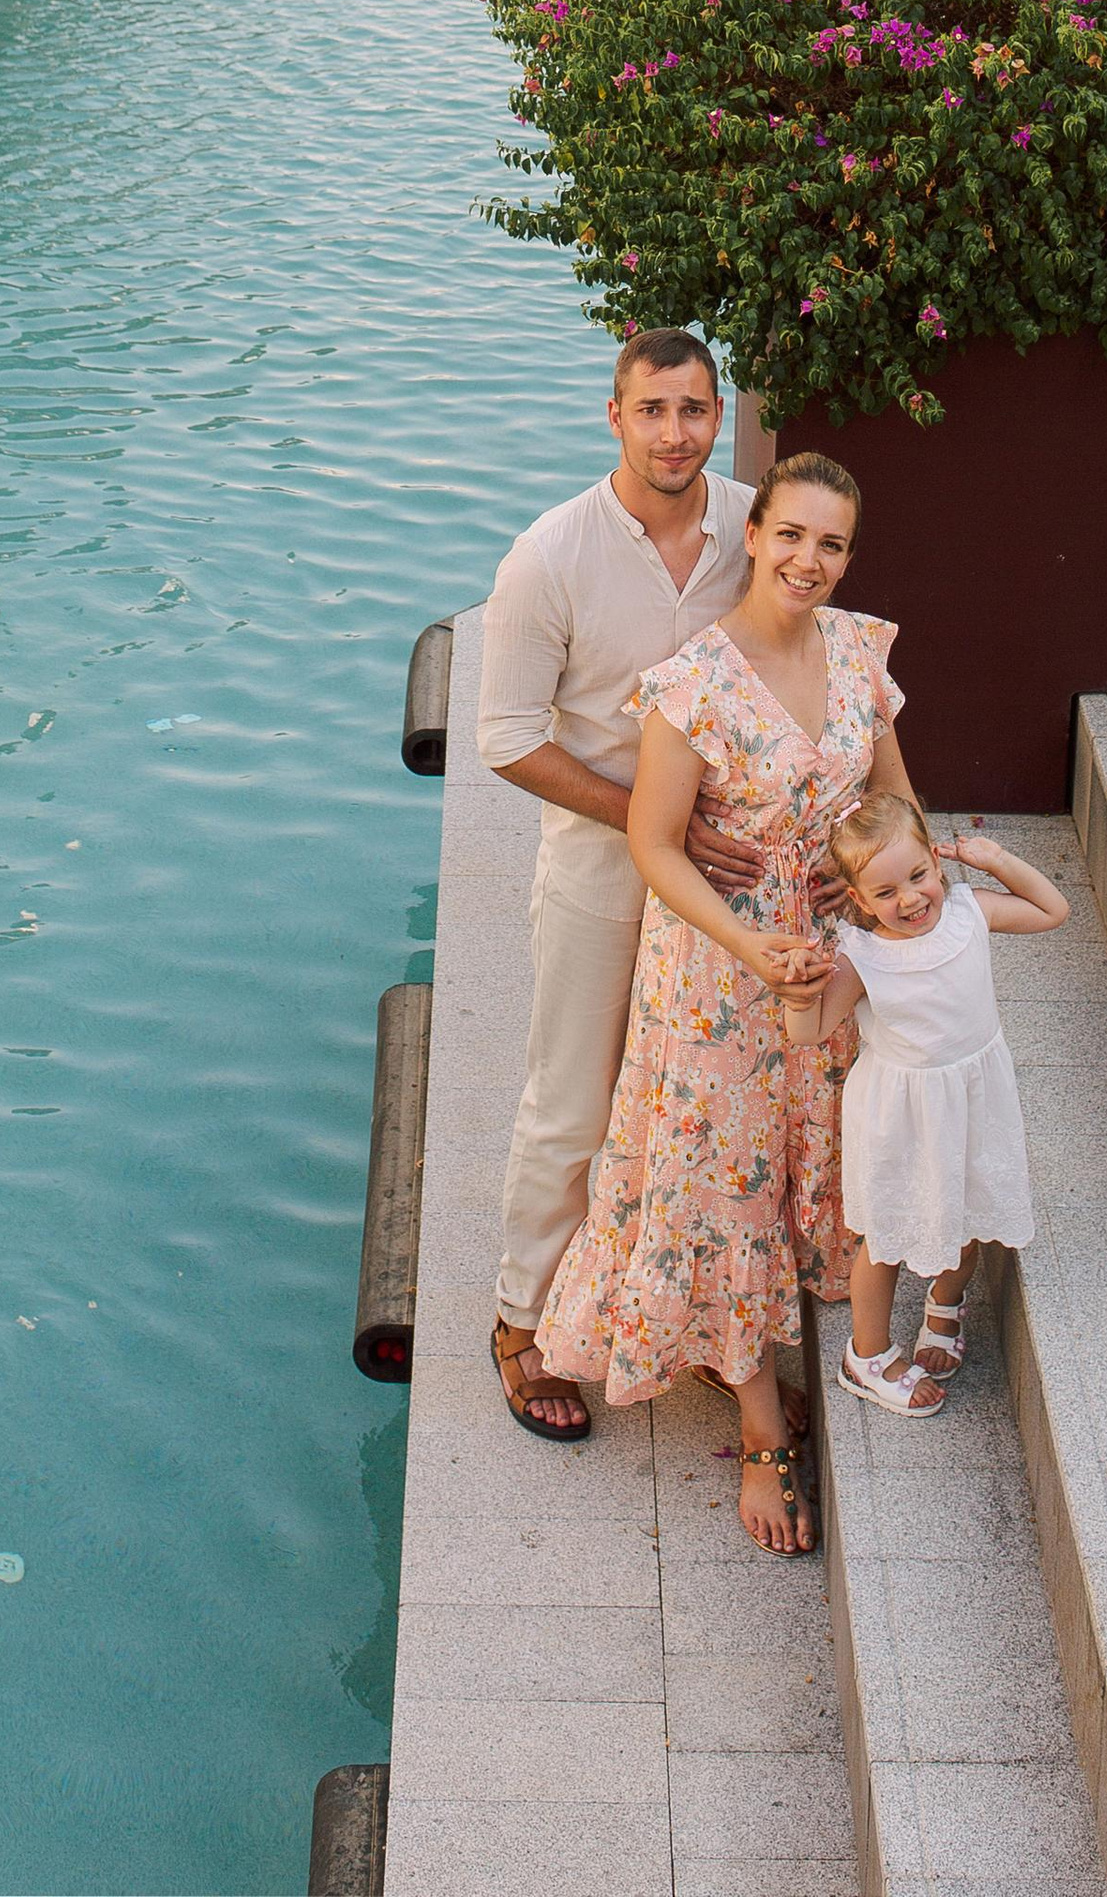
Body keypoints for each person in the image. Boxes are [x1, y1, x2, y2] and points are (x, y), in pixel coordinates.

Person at [535, 456, 914, 1558]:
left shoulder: (860, 653)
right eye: (790, 535)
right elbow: (654, 843)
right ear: (755, 535)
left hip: (828, 955)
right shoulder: (690, 680)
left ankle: (745, 1343)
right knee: (717, 1179)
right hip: (712, 971)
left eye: (831, 545)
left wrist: (881, 882)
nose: (808, 561)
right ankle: (756, 1422)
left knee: (802, 1153)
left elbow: (894, 797)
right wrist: (750, 941)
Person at [477, 332, 760, 1446]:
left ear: (719, 412)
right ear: (613, 416)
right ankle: (519, 1324)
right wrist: (651, 820)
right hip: (601, 869)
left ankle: (670, 1310)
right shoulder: (548, 556)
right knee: (575, 1103)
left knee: (695, 1096)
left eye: (693, 411)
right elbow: (504, 739)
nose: (675, 433)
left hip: (727, 866)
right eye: (652, 411)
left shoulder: (753, 529)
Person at [778, 790, 1065, 1419]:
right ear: (857, 900)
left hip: (972, 1095)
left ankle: (945, 1301)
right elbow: (809, 1031)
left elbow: (1053, 910)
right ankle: (869, 1353)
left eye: (918, 876)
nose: (909, 899)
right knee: (882, 1238)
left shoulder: (969, 911)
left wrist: (996, 861)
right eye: (884, 893)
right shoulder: (863, 955)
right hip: (899, 1115)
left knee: (965, 1207)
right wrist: (801, 990)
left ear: (938, 862)